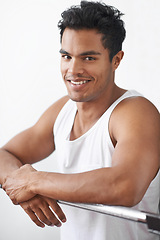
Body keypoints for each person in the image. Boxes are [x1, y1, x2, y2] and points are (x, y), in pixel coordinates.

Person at [0, 1, 160, 239]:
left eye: (88, 58)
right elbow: (5, 155)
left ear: (116, 60)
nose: (73, 70)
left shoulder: (135, 112)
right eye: (66, 56)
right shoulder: (62, 110)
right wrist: (24, 190)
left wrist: (33, 182)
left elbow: (125, 186)